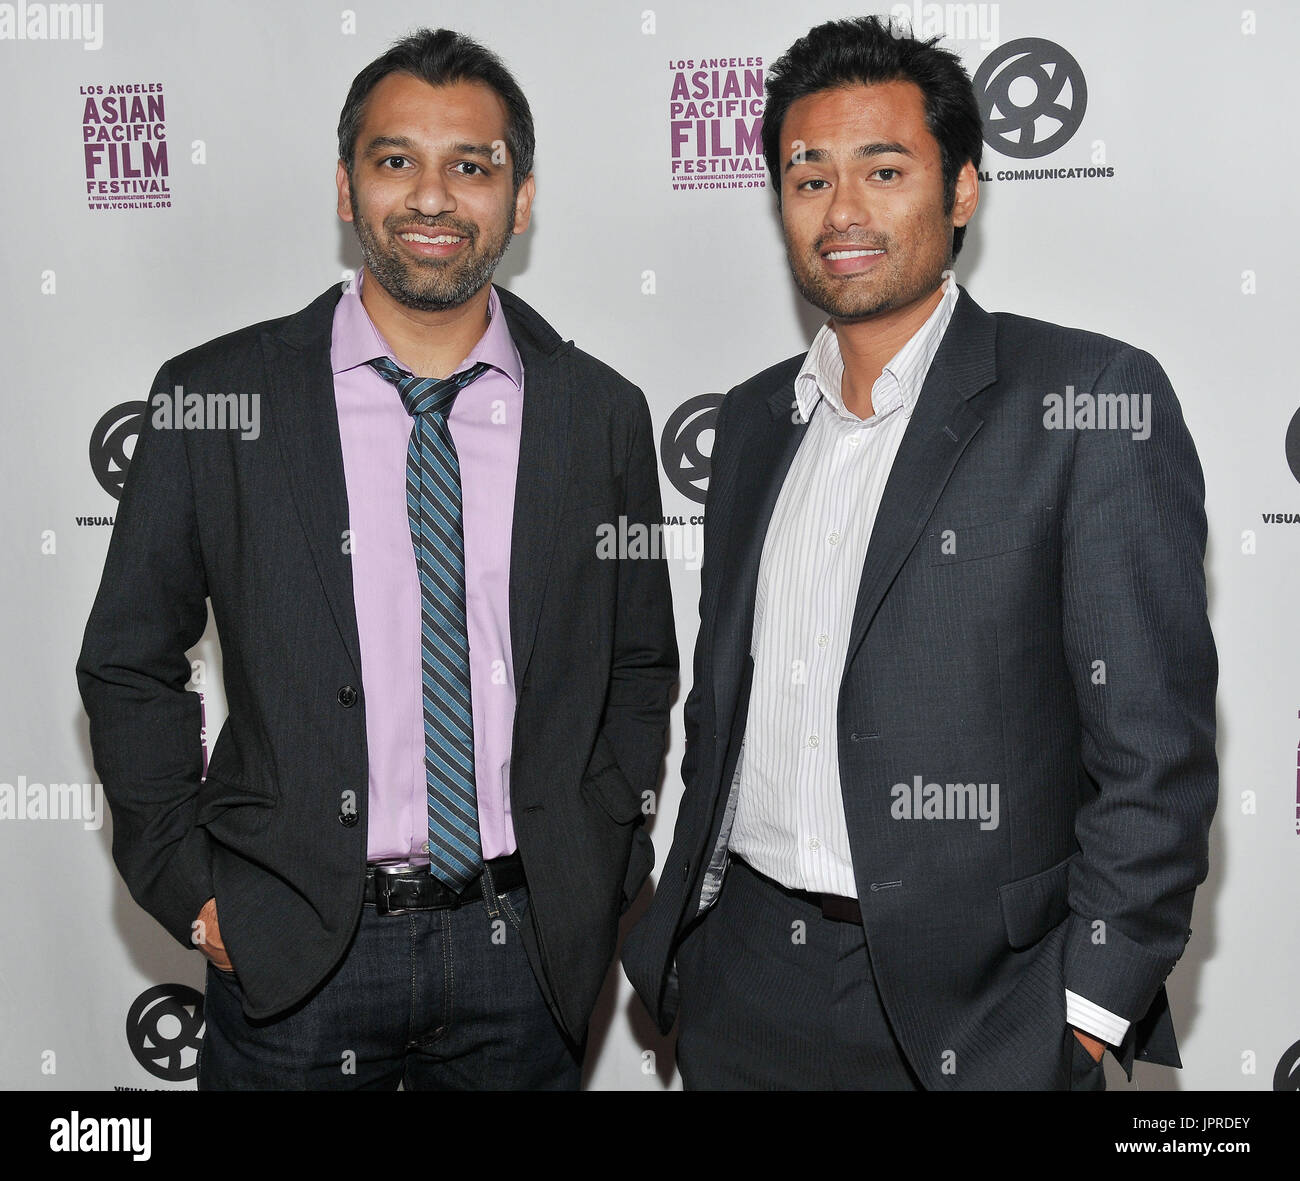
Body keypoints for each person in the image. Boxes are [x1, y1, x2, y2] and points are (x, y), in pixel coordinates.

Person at [622, 15, 1216, 1091]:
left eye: (882, 169)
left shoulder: (1084, 403)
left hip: (983, 1008)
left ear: (962, 190)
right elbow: (724, 709)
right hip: (741, 979)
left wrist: (1081, 1014)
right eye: (808, 179)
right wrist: (689, 943)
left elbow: (1154, 752)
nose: (842, 211)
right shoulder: (758, 420)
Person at [78, 27, 676, 1090]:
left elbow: (638, 668)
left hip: (525, 946)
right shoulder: (220, 399)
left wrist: (600, 857)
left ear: (520, 198)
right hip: (296, 943)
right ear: (347, 191)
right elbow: (129, 660)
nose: (432, 197)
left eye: (472, 166)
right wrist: (191, 885)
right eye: (396, 160)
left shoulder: (600, 416)